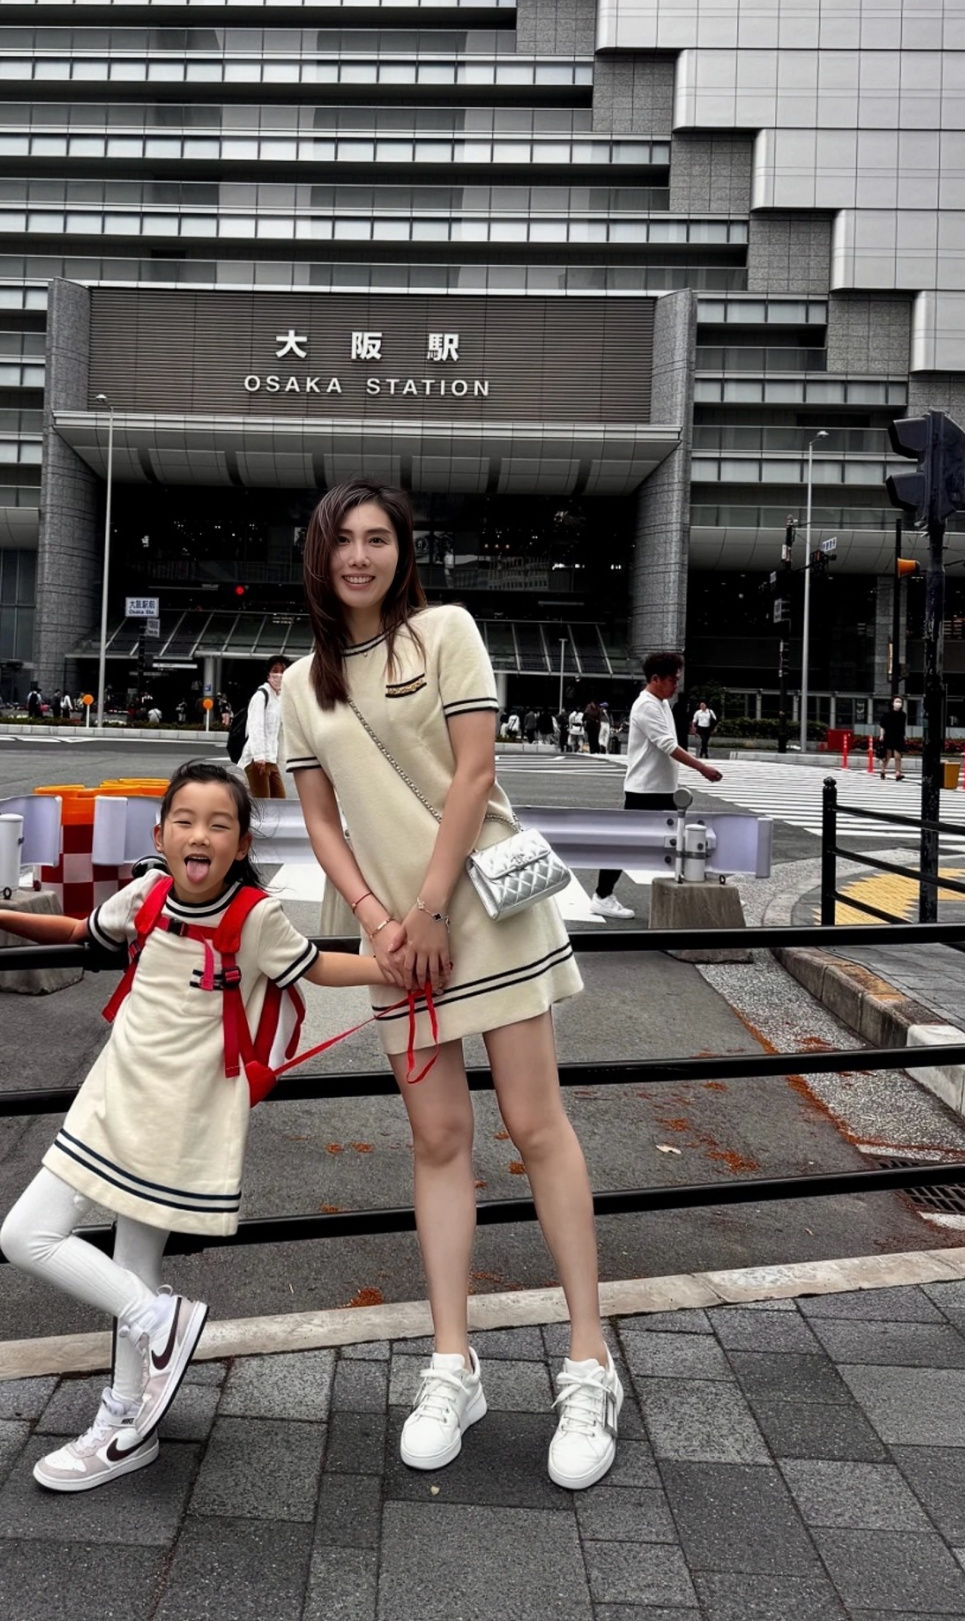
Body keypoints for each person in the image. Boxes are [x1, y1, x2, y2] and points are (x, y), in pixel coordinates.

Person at [282, 478, 623, 1491]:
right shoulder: (301, 684)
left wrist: (428, 907)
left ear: (402, 551)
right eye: (342, 539)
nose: (360, 555)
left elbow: (475, 774)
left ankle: (590, 1361)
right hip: (396, 937)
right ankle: (452, 1364)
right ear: (318, 555)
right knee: (436, 1139)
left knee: (535, 1122)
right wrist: (381, 919)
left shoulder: (447, 632)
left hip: (482, 911)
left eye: (377, 537)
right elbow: (321, 821)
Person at [0, 759, 398, 1495]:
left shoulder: (255, 918)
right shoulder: (146, 895)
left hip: (179, 1120)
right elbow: (82, 931)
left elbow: (315, 967)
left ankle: (129, 1406)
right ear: (160, 834)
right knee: (30, 1235)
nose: (199, 835)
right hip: (113, 1100)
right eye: (184, 820)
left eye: (219, 824)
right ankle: (152, 1339)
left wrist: (394, 968)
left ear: (241, 845)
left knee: (86, 1255)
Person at [592, 650, 723, 920]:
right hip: (645, 790)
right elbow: (667, 745)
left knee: (678, 842)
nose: (676, 686)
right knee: (630, 844)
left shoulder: (661, 703)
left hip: (660, 788)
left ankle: (694, 895)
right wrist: (702, 768)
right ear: (655, 679)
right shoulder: (646, 706)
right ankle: (602, 896)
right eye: (672, 680)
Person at [240, 657, 288, 800]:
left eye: (283, 671)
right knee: (263, 805)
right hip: (258, 761)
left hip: (271, 760)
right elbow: (256, 726)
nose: (279, 675)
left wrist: (281, 757)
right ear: (268, 674)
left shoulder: (279, 698)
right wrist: (259, 756)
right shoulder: (261, 696)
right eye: (275, 671)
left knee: (280, 802)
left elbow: (280, 731)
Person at [877, 696, 907, 780]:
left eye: (900, 702)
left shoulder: (903, 715)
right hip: (889, 736)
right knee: (887, 755)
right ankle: (883, 770)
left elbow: (903, 726)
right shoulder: (887, 714)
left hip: (899, 737)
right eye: (897, 701)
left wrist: (904, 736)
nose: (898, 703)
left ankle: (898, 773)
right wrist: (882, 735)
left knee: (898, 756)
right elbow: (882, 726)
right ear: (892, 703)